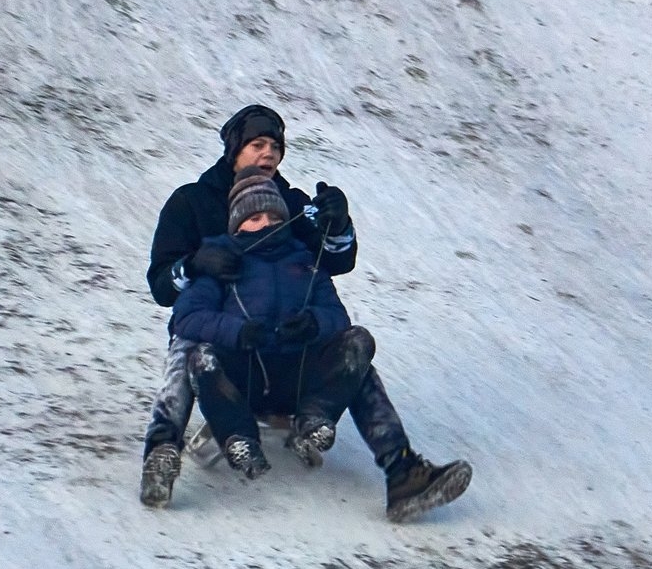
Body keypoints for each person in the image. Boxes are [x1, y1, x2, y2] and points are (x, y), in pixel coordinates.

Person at [141, 104, 471, 521]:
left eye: (276, 147)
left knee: (355, 356)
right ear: (234, 149)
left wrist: (338, 226)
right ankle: (161, 449)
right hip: (223, 344)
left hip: (286, 348)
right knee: (190, 343)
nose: (268, 154)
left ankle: (402, 472)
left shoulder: (292, 204)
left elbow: (332, 263)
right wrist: (194, 265)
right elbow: (162, 288)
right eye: (257, 144)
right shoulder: (191, 203)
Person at [173, 166, 375, 480]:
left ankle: (315, 418)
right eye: (255, 218)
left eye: (274, 217)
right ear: (238, 225)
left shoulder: (305, 260)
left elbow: (338, 317)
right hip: (243, 378)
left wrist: (314, 323)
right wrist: (237, 332)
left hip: (296, 377)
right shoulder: (221, 261)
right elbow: (187, 317)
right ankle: (239, 439)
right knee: (201, 357)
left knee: (358, 340)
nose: (266, 223)